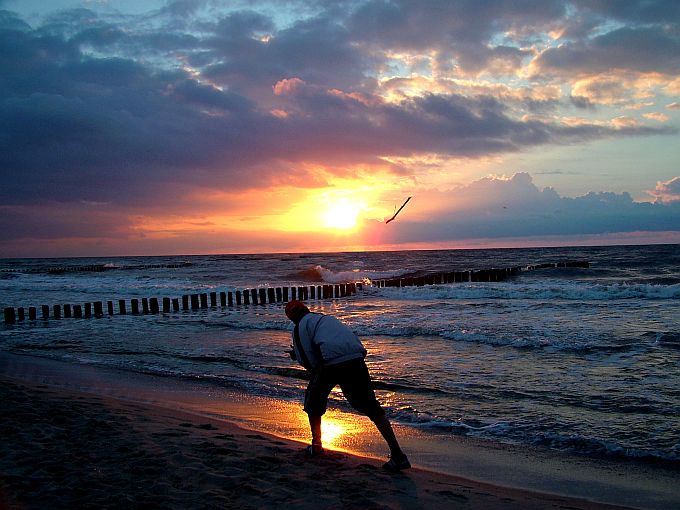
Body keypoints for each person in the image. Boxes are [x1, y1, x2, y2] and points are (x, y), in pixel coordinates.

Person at [284, 299, 411, 471]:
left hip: (330, 363)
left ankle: (317, 445)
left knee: (313, 402)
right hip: (356, 358)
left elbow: (309, 362)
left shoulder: (300, 327)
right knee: (371, 407)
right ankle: (398, 455)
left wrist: (296, 356)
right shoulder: (326, 319)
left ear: (291, 318)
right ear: (306, 309)